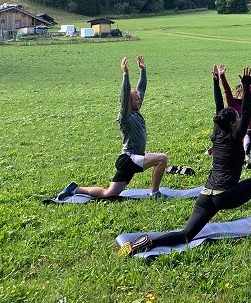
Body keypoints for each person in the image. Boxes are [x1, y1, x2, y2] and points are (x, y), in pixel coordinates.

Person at [118, 66, 251, 256]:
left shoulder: (217, 133)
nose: (240, 117)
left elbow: (219, 107)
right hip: (225, 195)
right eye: (237, 117)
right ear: (234, 124)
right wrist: (246, 84)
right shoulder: (236, 136)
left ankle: (149, 243)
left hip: (205, 195)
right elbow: (247, 111)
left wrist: (216, 82)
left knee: (185, 235)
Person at [56, 56, 169, 200]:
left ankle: (74, 189)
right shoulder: (125, 116)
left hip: (130, 160)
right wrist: (125, 75)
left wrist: (143, 71)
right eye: (136, 99)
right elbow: (125, 94)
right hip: (129, 158)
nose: (140, 100)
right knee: (162, 158)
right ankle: (155, 193)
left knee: (108, 194)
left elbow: (141, 90)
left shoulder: (136, 112)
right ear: (128, 102)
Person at [215, 63, 251, 166]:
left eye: (245, 92)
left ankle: (247, 156)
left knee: (248, 132)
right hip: (234, 132)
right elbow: (227, 90)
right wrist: (222, 76)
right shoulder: (232, 102)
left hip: (246, 132)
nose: (243, 94)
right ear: (237, 93)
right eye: (241, 92)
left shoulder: (247, 100)